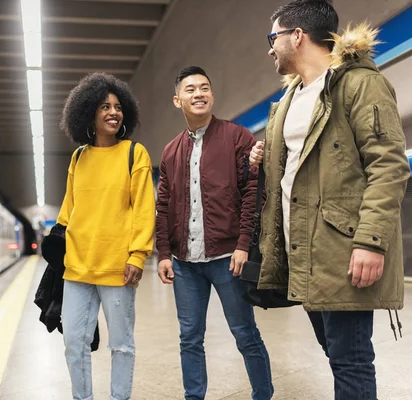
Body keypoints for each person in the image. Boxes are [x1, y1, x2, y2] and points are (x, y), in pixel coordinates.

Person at [248, 1, 408, 398]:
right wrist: (265, 152)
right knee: (337, 356)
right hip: (305, 252)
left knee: (351, 360)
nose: (270, 49)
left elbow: (388, 166)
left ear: (297, 36)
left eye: (274, 38)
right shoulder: (290, 101)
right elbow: (306, 168)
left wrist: (371, 242)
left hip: (344, 249)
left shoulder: (356, 84)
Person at [156, 66, 273, 400]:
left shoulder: (237, 137)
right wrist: (164, 254)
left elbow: (253, 192)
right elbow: (162, 206)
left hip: (227, 259)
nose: (199, 94)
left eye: (204, 87)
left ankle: (262, 395)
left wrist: (242, 246)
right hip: (185, 262)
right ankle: (194, 396)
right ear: (178, 100)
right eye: (190, 89)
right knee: (190, 338)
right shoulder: (170, 151)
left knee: (244, 333)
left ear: (212, 95)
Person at [57, 72, 156, 400]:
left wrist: (138, 255)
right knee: (74, 344)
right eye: (104, 107)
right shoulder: (78, 158)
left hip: (118, 269)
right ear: (88, 113)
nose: (113, 112)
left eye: (117, 107)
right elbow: (67, 213)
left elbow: (143, 209)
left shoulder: (134, 153)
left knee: (122, 346)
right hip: (77, 270)